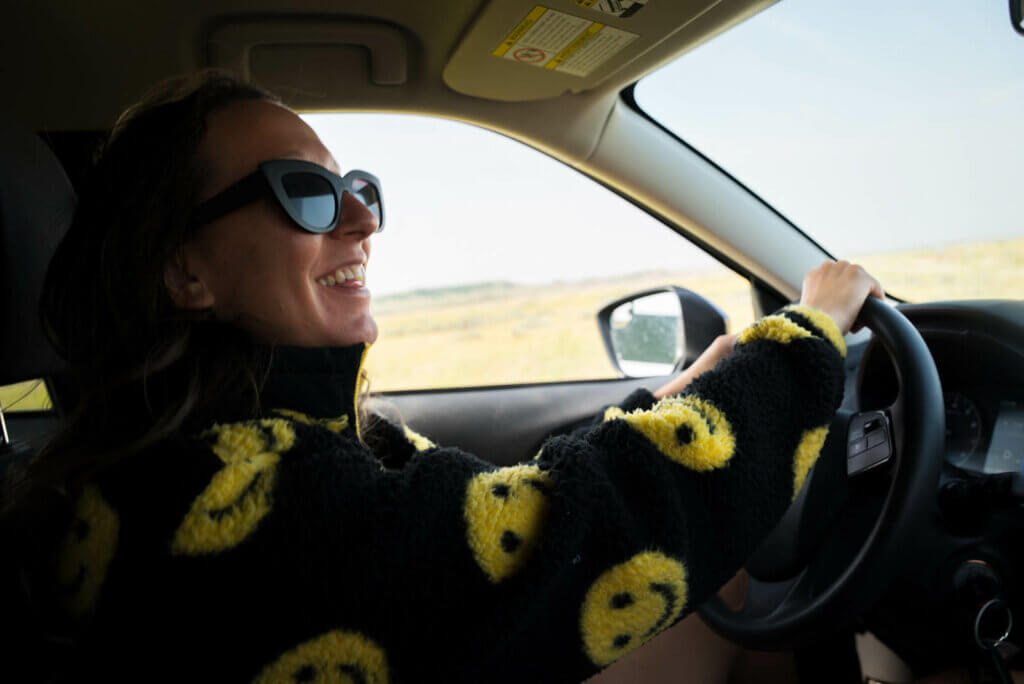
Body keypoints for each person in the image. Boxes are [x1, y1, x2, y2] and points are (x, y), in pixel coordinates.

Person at [1, 71, 883, 683]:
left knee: (724, 587)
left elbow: (482, 511)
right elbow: (549, 537)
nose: (360, 220)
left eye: (357, 189)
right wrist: (804, 337)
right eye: (303, 192)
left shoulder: (218, 447)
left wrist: (668, 404)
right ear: (185, 269)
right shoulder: (222, 499)